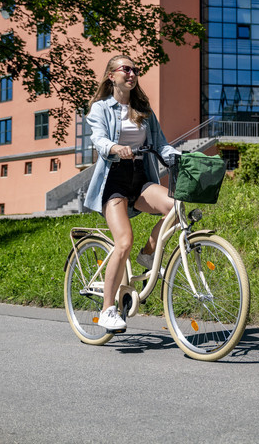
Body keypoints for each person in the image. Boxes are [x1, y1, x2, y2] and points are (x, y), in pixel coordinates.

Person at [83, 54, 179, 332]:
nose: (132, 73)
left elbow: (161, 145)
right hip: (114, 182)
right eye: (125, 69)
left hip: (140, 178)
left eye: (134, 69)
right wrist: (114, 148)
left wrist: (176, 157)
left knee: (176, 206)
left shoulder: (143, 110)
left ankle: (148, 252)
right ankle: (107, 310)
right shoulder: (100, 108)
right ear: (111, 75)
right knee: (123, 242)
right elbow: (99, 139)